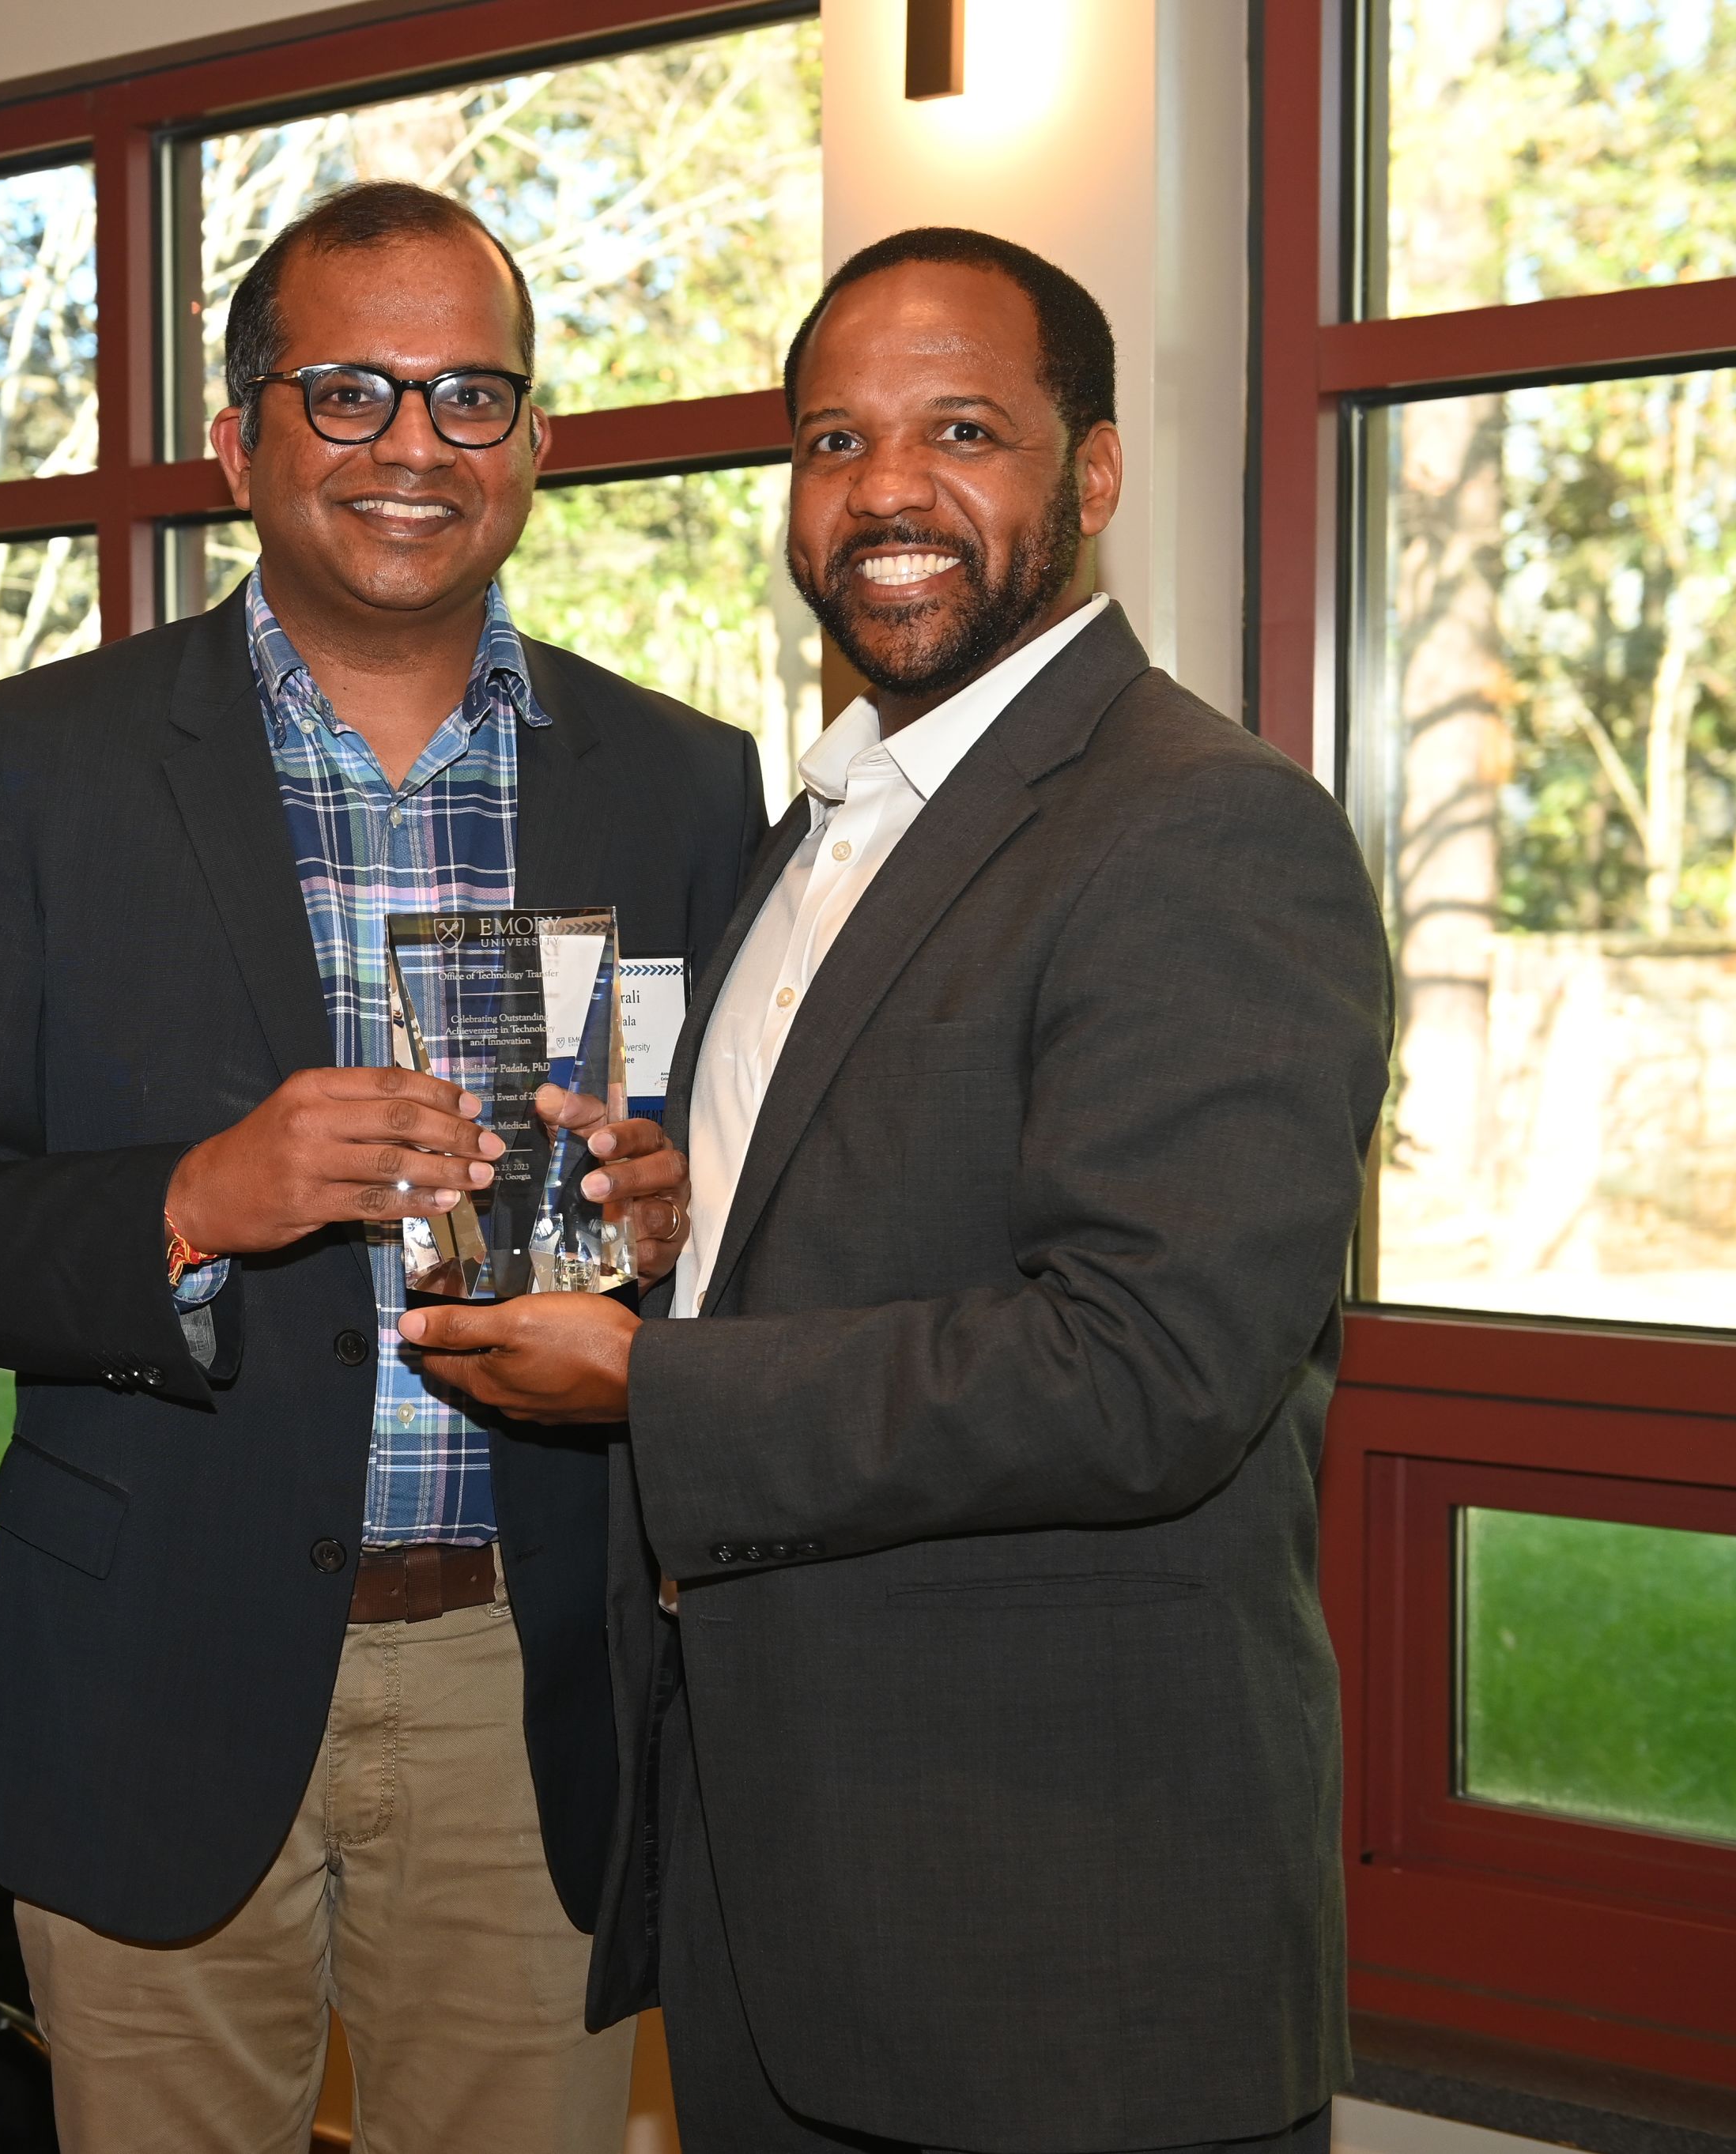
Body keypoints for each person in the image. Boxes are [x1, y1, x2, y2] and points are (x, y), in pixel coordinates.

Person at [400, 225, 1391, 2154]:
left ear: (1088, 475)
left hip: (1051, 1939)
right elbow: (847, 1224)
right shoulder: (830, 822)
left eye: (960, 430)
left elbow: (1146, 1366)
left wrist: (645, 1383)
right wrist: (679, 1232)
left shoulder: (1202, 827)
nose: (886, 494)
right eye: (834, 439)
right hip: (789, 1910)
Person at [0, 181, 757, 2154]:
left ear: (538, 444)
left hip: (530, 1680)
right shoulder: (35, 765)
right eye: (344, 393)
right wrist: (189, 1202)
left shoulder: (684, 781)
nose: (410, 447)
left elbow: (764, 1205)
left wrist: (690, 1221)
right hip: (153, 1660)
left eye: (465, 395)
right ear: (236, 437)